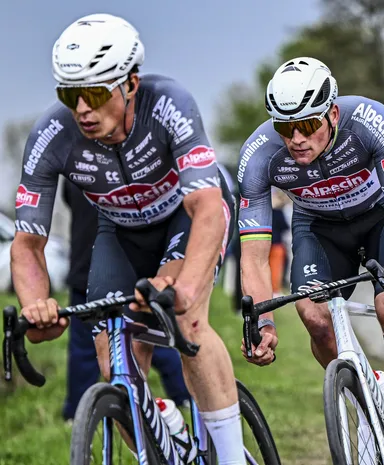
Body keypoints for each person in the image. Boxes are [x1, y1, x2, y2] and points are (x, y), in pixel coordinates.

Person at [11, 14, 245, 464]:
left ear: (130, 83)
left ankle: (232, 456)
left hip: (186, 217)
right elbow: (27, 244)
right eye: (69, 95)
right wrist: (36, 304)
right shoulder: (51, 135)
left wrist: (186, 289)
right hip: (119, 229)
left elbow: (205, 208)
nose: (82, 108)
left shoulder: (169, 103)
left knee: (188, 322)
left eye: (96, 94)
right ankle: (161, 435)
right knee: (113, 361)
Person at [238, 57, 384, 463]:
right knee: (314, 316)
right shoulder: (258, 155)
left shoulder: (368, 120)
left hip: (378, 218)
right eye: (285, 127)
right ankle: (366, 394)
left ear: (333, 114)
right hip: (318, 229)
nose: (296, 139)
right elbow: (253, 255)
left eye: (308, 125)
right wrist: (263, 323)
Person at [61, 179, 190, 422]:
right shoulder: (127, 177)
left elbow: (67, 200)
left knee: (87, 348)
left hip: (89, 268)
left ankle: (76, 413)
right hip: (116, 269)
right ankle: (182, 395)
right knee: (148, 338)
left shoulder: (73, 175)